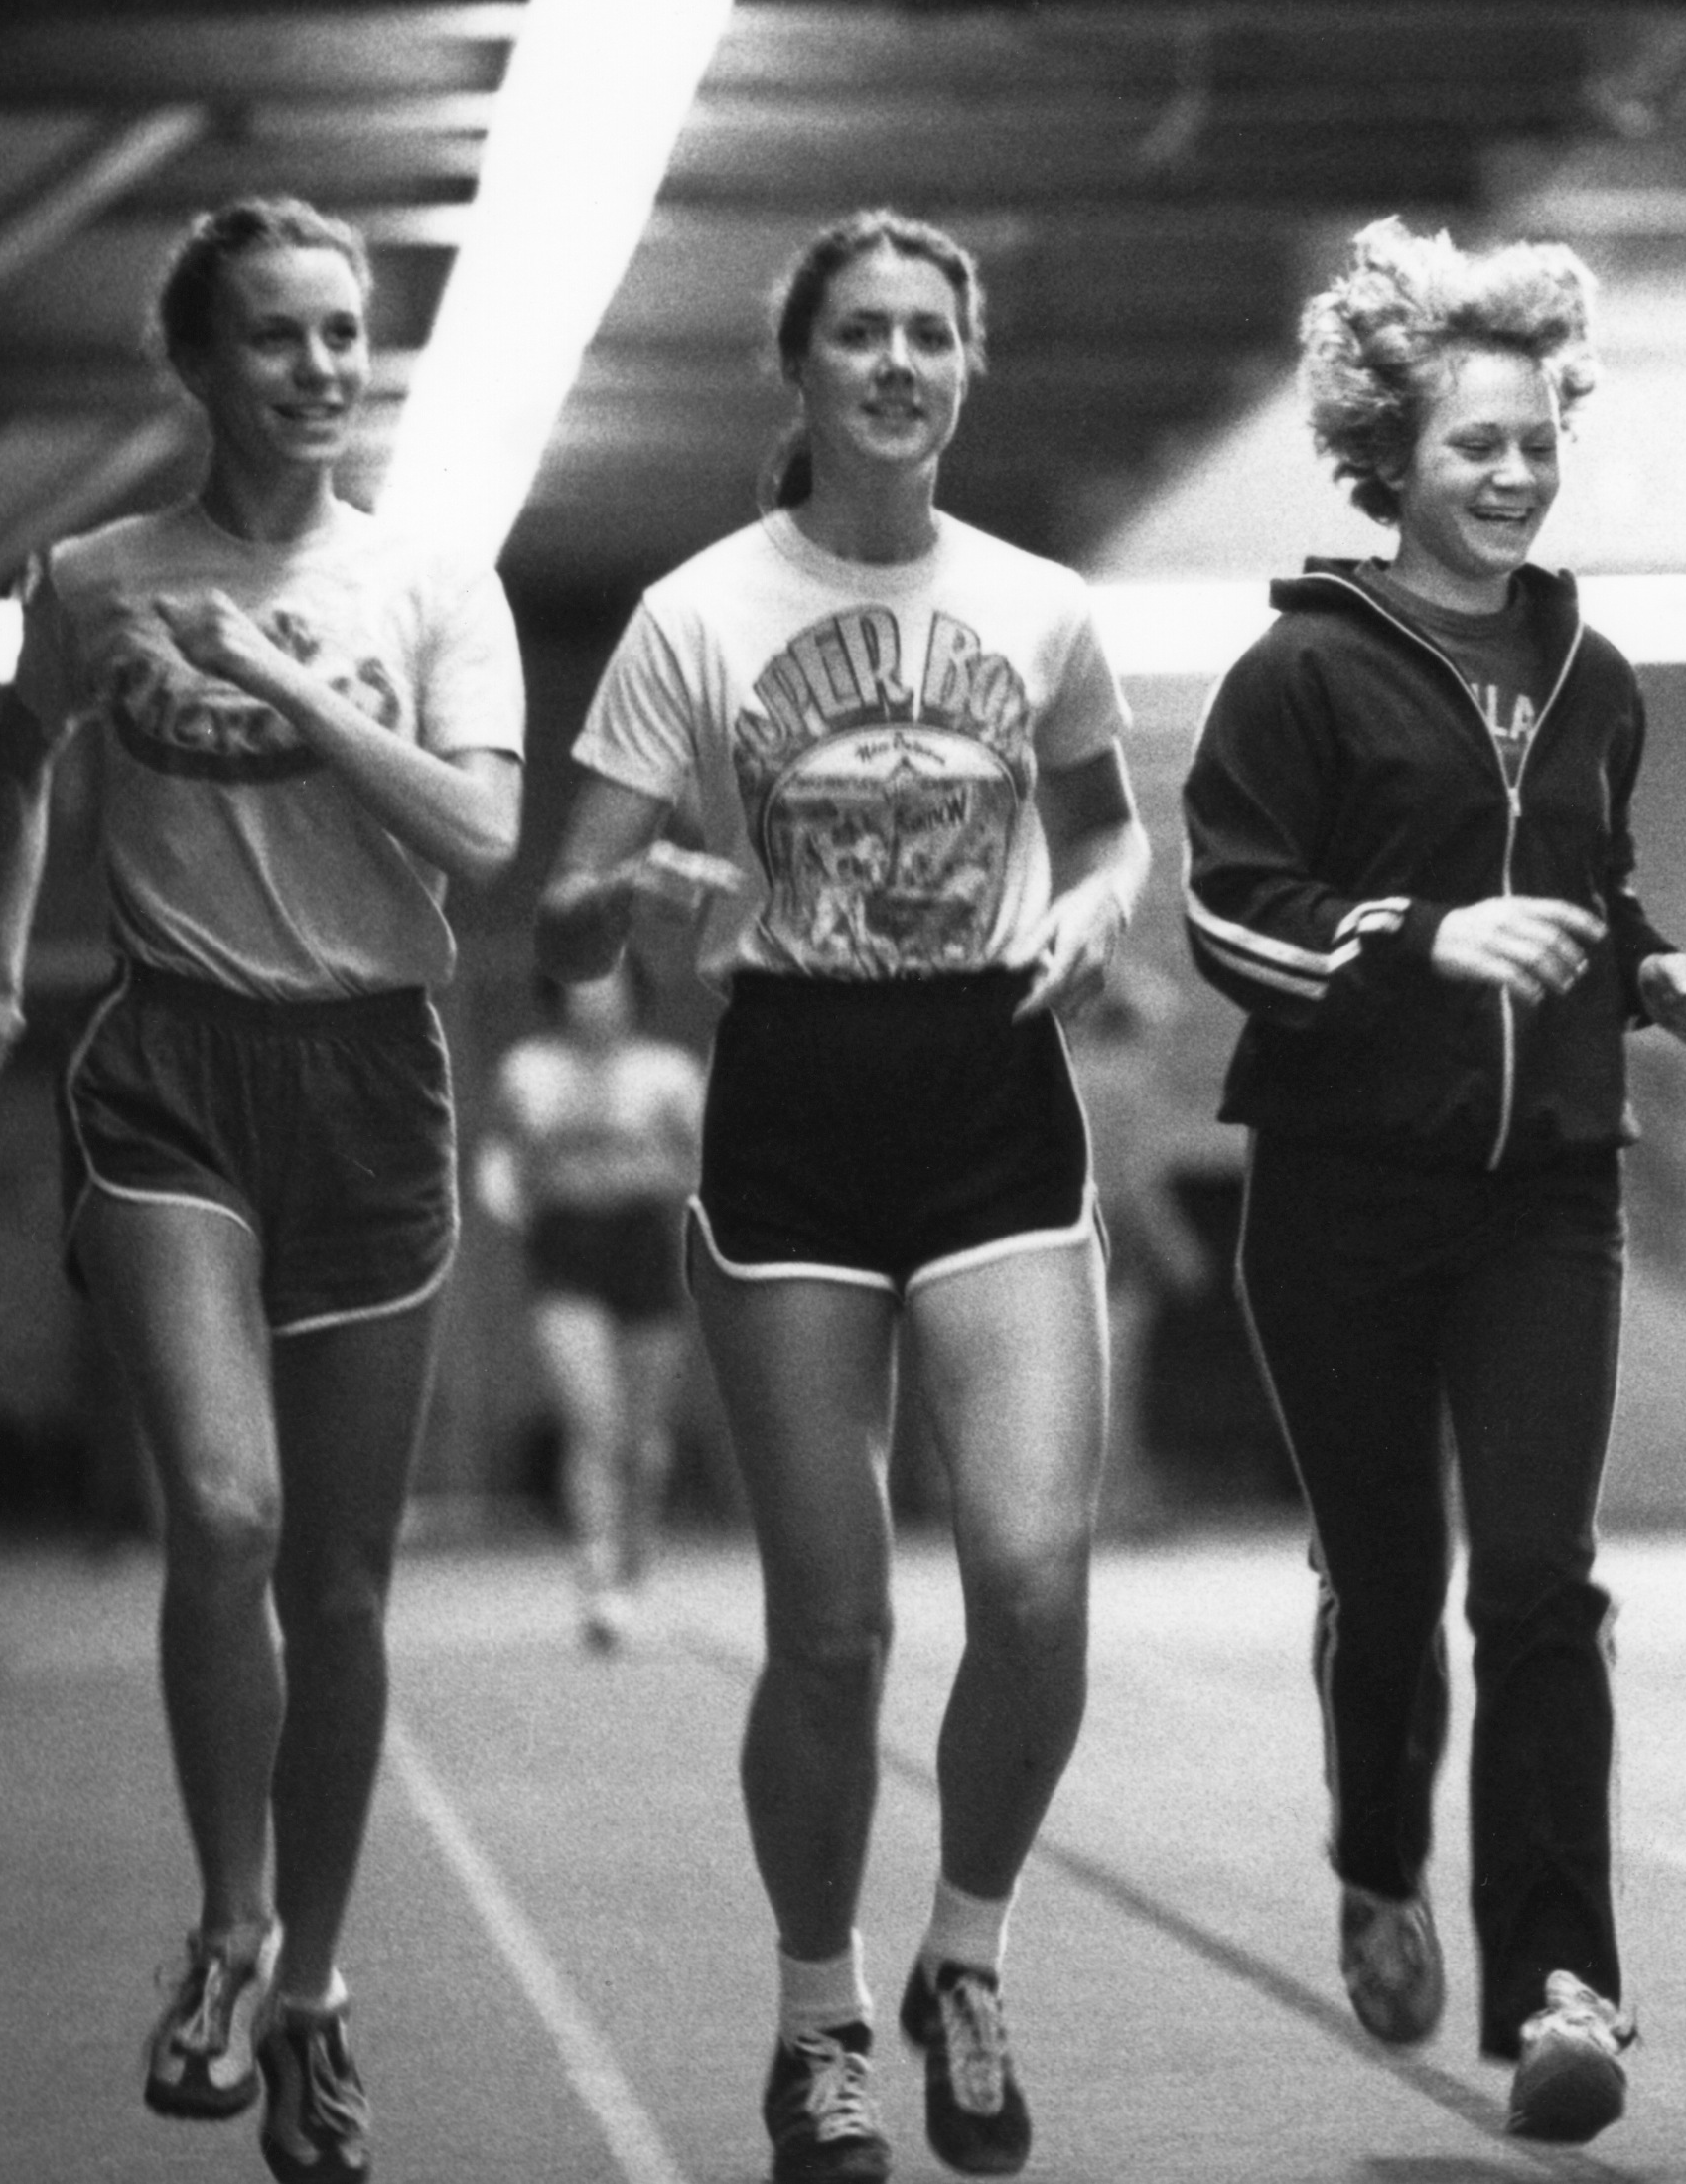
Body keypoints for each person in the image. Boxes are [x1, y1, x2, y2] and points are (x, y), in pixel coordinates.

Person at [536, 210, 1142, 2184]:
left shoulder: (1039, 603)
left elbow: (1108, 833)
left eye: (925, 335)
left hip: (991, 1088)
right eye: (857, 333)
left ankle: (963, 1952)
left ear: (966, 367)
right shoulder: (697, 612)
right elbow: (558, 928)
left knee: (1038, 1582)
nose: (892, 363)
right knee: (831, 1631)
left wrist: (1092, 909)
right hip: (789, 1096)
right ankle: (817, 2014)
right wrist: (626, 902)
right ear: (798, 371)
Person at [0, 196, 526, 2182]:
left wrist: (285, 685)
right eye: (274, 334)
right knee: (228, 1504)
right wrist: (9, 962)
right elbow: (16, 759)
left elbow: (479, 829)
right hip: (174, 1062)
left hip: (372, 1076)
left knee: (342, 1587)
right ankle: (226, 1923)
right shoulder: (97, 573)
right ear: (197, 363)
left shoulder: (430, 576)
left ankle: (316, 1996)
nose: (320, 366)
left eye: (345, 329)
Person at [1181, 217, 1686, 2146]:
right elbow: (1226, 918)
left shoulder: (1594, 669)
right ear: (1387, 456)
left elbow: (1591, 878)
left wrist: (1650, 966)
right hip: (1338, 1189)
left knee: (1538, 1580)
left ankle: (1561, 1980)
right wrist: (1422, 938)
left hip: (1546, 1191)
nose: (1509, 474)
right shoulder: (1300, 672)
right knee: (1390, 1581)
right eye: (1468, 446)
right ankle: (1370, 1853)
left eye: (1531, 440)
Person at [476, 960, 706, 1651]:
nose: (595, 1007)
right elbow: (496, 1158)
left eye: (608, 993)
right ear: (558, 999)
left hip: (644, 1246)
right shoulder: (528, 1069)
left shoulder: (668, 1071)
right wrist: (509, 1202)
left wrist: (652, 1177)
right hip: (565, 1251)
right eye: (581, 993)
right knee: (592, 1421)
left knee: (642, 1439)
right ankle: (597, 1577)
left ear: (634, 997)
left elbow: (703, 1163)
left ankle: (633, 1566)